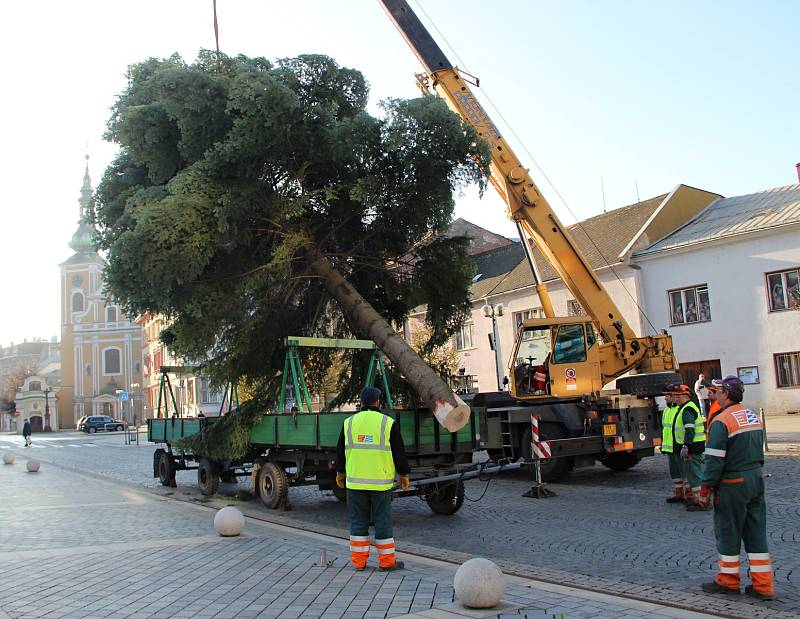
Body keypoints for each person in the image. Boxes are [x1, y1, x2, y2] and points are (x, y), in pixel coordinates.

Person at [698, 376, 774, 600]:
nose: (715, 396)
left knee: (728, 530)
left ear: (727, 394)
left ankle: (728, 580)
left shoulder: (722, 421)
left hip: (732, 483)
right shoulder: (751, 415)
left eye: (718, 392)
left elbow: (713, 461)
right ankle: (763, 585)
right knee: (756, 532)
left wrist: (705, 488)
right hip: (755, 478)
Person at [336, 387, 410, 571]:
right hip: (380, 484)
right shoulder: (387, 423)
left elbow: (340, 451)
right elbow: (398, 452)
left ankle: (359, 562)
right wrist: (403, 474)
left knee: (358, 522)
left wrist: (340, 472)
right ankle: (386, 562)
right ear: (378, 402)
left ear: (361, 402)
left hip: (355, 483)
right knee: (382, 521)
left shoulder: (349, 423)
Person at [665, 385, 706, 510]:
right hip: (691, 446)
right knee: (691, 474)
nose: (675, 398)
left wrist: (686, 446)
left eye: (677, 396)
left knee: (694, 475)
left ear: (685, 396)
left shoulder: (687, 409)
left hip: (692, 447)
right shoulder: (683, 408)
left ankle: (701, 501)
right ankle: (697, 499)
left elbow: (690, 430)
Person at [660, 386, 685, 503]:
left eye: (667, 396)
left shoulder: (679, 410)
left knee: (684, 471)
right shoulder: (666, 410)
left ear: (673, 396)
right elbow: (665, 429)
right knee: (674, 471)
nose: (665, 398)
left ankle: (689, 494)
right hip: (670, 447)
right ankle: (678, 492)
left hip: (679, 446)